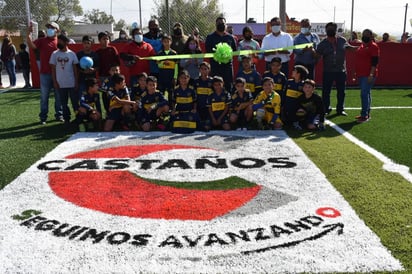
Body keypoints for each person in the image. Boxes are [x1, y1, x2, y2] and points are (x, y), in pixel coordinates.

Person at [27, 21, 63, 124]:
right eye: (48, 27)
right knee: (44, 97)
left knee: (58, 96)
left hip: (58, 74)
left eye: (52, 27)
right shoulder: (42, 41)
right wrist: (28, 34)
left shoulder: (60, 42)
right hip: (45, 73)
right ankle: (43, 117)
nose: (49, 29)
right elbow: (32, 46)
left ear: (57, 30)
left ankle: (59, 115)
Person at [316, 22, 353, 116]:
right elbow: (317, 56)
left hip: (341, 71)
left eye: (332, 29)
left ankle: (340, 109)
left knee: (341, 92)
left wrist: (361, 47)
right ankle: (326, 108)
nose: (330, 31)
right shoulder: (322, 43)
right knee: (326, 92)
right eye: (329, 29)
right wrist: (312, 51)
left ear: (336, 30)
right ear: (326, 30)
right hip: (328, 71)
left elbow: (349, 48)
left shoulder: (342, 40)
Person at [49, 34, 79, 125]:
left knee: (75, 102)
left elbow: (75, 70)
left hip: (71, 82)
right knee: (64, 103)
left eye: (61, 41)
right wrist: (55, 81)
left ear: (66, 42)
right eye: (58, 41)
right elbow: (53, 69)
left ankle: (78, 118)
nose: (59, 42)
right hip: (60, 83)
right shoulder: (54, 54)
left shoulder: (72, 54)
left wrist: (76, 82)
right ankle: (67, 119)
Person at [354, 29, 380, 123]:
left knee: (364, 94)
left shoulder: (373, 46)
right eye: (363, 34)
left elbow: (375, 62)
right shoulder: (362, 45)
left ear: (371, 36)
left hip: (368, 75)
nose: (364, 36)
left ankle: (364, 115)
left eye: (366, 35)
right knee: (367, 93)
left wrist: (371, 74)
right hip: (361, 74)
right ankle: (366, 113)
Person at [205, 16, 237, 92]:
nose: (221, 24)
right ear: (216, 25)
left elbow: (234, 51)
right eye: (219, 23)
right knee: (215, 86)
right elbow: (208, 50)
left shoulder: (230, 38)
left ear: (226, 25)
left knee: (228, 86)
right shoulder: (210, 37)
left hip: (227, 67)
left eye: (222, 23)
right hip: (215, 66)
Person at [156, 34, 177, 100]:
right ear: (162, 42)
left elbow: (176, 66)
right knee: (161, 93)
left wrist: (175, 77)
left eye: (168, 41)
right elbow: (158, 65)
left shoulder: (174, 53)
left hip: (171, 76)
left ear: (171, 42)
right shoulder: (159, 53)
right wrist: (163, 64)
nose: (166, 43)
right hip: (162, 76)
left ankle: (171, 107)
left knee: (171, 93)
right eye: (165, 41)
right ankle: (162, 106)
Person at [194, 61, 213, 130]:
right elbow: (194, 96)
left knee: (207, 127)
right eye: (202, 69)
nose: (203, 71)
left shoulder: (212, 81)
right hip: (199, 107)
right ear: (199, 70)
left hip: (209, 108)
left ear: (209, 70)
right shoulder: (196, 81)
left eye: (205, 69)